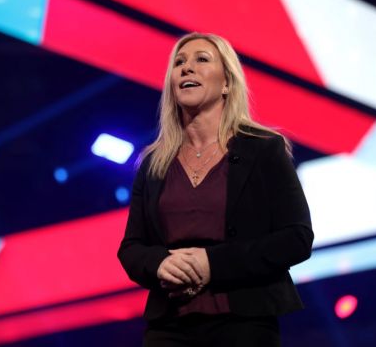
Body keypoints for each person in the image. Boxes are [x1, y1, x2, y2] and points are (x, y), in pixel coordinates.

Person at [117, 32, 314, 347]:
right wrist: (160, 263)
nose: (186, 68)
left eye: (201, 60)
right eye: (179, 63)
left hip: (244, 323)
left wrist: (213, 264)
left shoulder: (264, 149)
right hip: (169, 326)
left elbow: (297, 238)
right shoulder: (153, 161)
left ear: (226, 84)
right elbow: (131, 248)